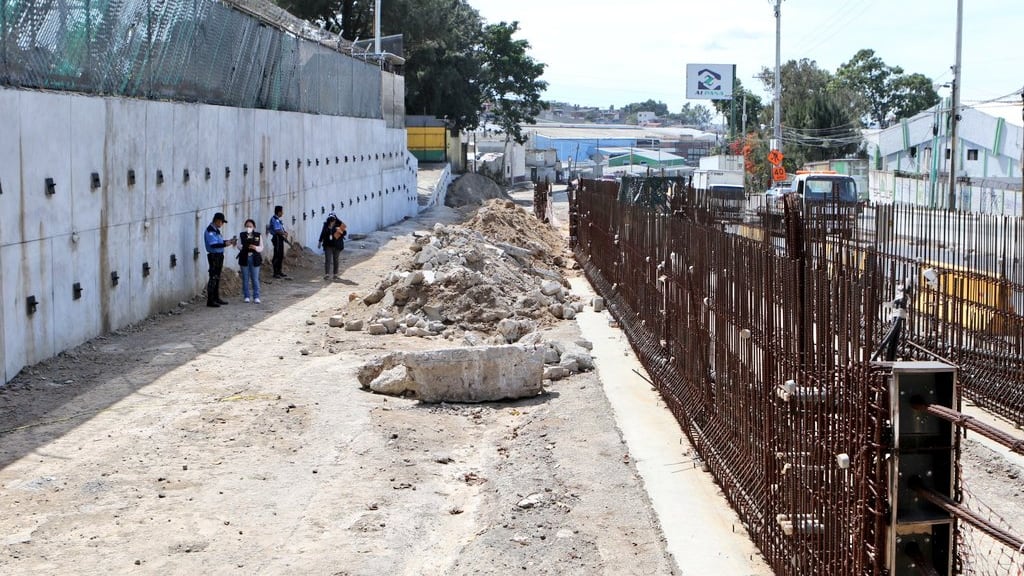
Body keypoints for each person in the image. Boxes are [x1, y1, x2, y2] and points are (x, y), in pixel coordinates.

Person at [204, 212, 236, 308]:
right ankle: (210, 300)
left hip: (218, 256)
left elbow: (220, 242)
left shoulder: (216, 230)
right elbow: (213, 244)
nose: (222, 224)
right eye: (222, 222)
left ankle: (216, 298)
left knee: (217, 277)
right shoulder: (210, 230)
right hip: (214, 256)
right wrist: (225, 244)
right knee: (213, 277)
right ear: (217, 221)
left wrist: (228, 241)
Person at [237, 218, 263, 303]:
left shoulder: (258, 235)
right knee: (245, 278)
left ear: (254, 227)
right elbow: (238, 245)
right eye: (247, 226)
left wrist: (255, 247)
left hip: (255, 258)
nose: (249, 228)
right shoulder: (242, 235)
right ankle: (246, 296)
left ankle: (256, 296)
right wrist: (244, 247)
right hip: (244, 257)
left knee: (255, 278)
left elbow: (261, 247)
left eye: (250, 226)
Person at [317, 212, 347, 280]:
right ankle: (327, 274)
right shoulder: (326, 224)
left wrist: (339, 230)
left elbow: (345, 233)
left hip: (337, 245)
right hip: (328, 245)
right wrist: (319, 241)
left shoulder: (339, 223)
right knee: (328, 259)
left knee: (335, 260)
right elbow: (323, 233)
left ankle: (335, 274)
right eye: (331, 219)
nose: (332, 221)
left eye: (333, 219)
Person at [267, 205, 289, 279]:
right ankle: (275, 272)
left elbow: (280, 229)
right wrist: (284, 233)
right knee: (277, 255)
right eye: (282, 211)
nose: (283, 213)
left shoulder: (278, 220)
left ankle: (279, 271)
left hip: (280, 238)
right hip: (277, 238)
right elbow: (277, 230)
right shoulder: (274, 219)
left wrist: (284, 232)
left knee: (280, 255)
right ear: (279, 212)